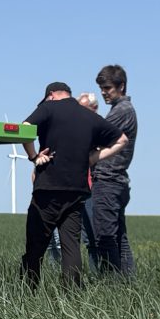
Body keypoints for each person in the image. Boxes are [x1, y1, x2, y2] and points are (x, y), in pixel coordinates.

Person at [22, 81, 126, 286]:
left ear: (51, 95)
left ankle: (28, 292)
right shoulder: (89, 116)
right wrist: (93, 158)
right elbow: (122, 140)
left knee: (35, 246)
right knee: (71, 246)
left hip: (48, 188)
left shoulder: (48, 107)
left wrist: (34, 156)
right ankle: (72, 297)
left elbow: (24, 128)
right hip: (77, 191)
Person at [90, 65, 139, 275]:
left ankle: (112, 285)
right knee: (119, 237)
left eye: (107, 88)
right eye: (101, 88)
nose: (103, 92)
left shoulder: (121, 111)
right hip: (117, 181)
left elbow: (94, 135)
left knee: (105, 237)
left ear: (122, 86)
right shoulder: (122, 110)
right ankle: (127, 284)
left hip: (108, 181)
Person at [50, 93, 101, 265]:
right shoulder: (75, 127)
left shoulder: (99, 127)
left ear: (94, 108)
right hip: (74, 186)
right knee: (64, 236)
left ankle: (99, 275)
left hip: (92, 187)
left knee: (92, 237)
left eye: (83, 108)